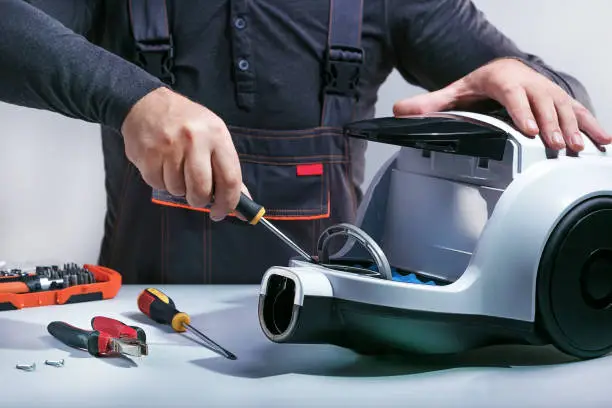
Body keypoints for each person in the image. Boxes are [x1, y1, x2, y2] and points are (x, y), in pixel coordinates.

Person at [1, 0, 610, 285]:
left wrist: (522, 86)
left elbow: (566, 105)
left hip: (333, 342)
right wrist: (131, 96)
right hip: (141, 330)